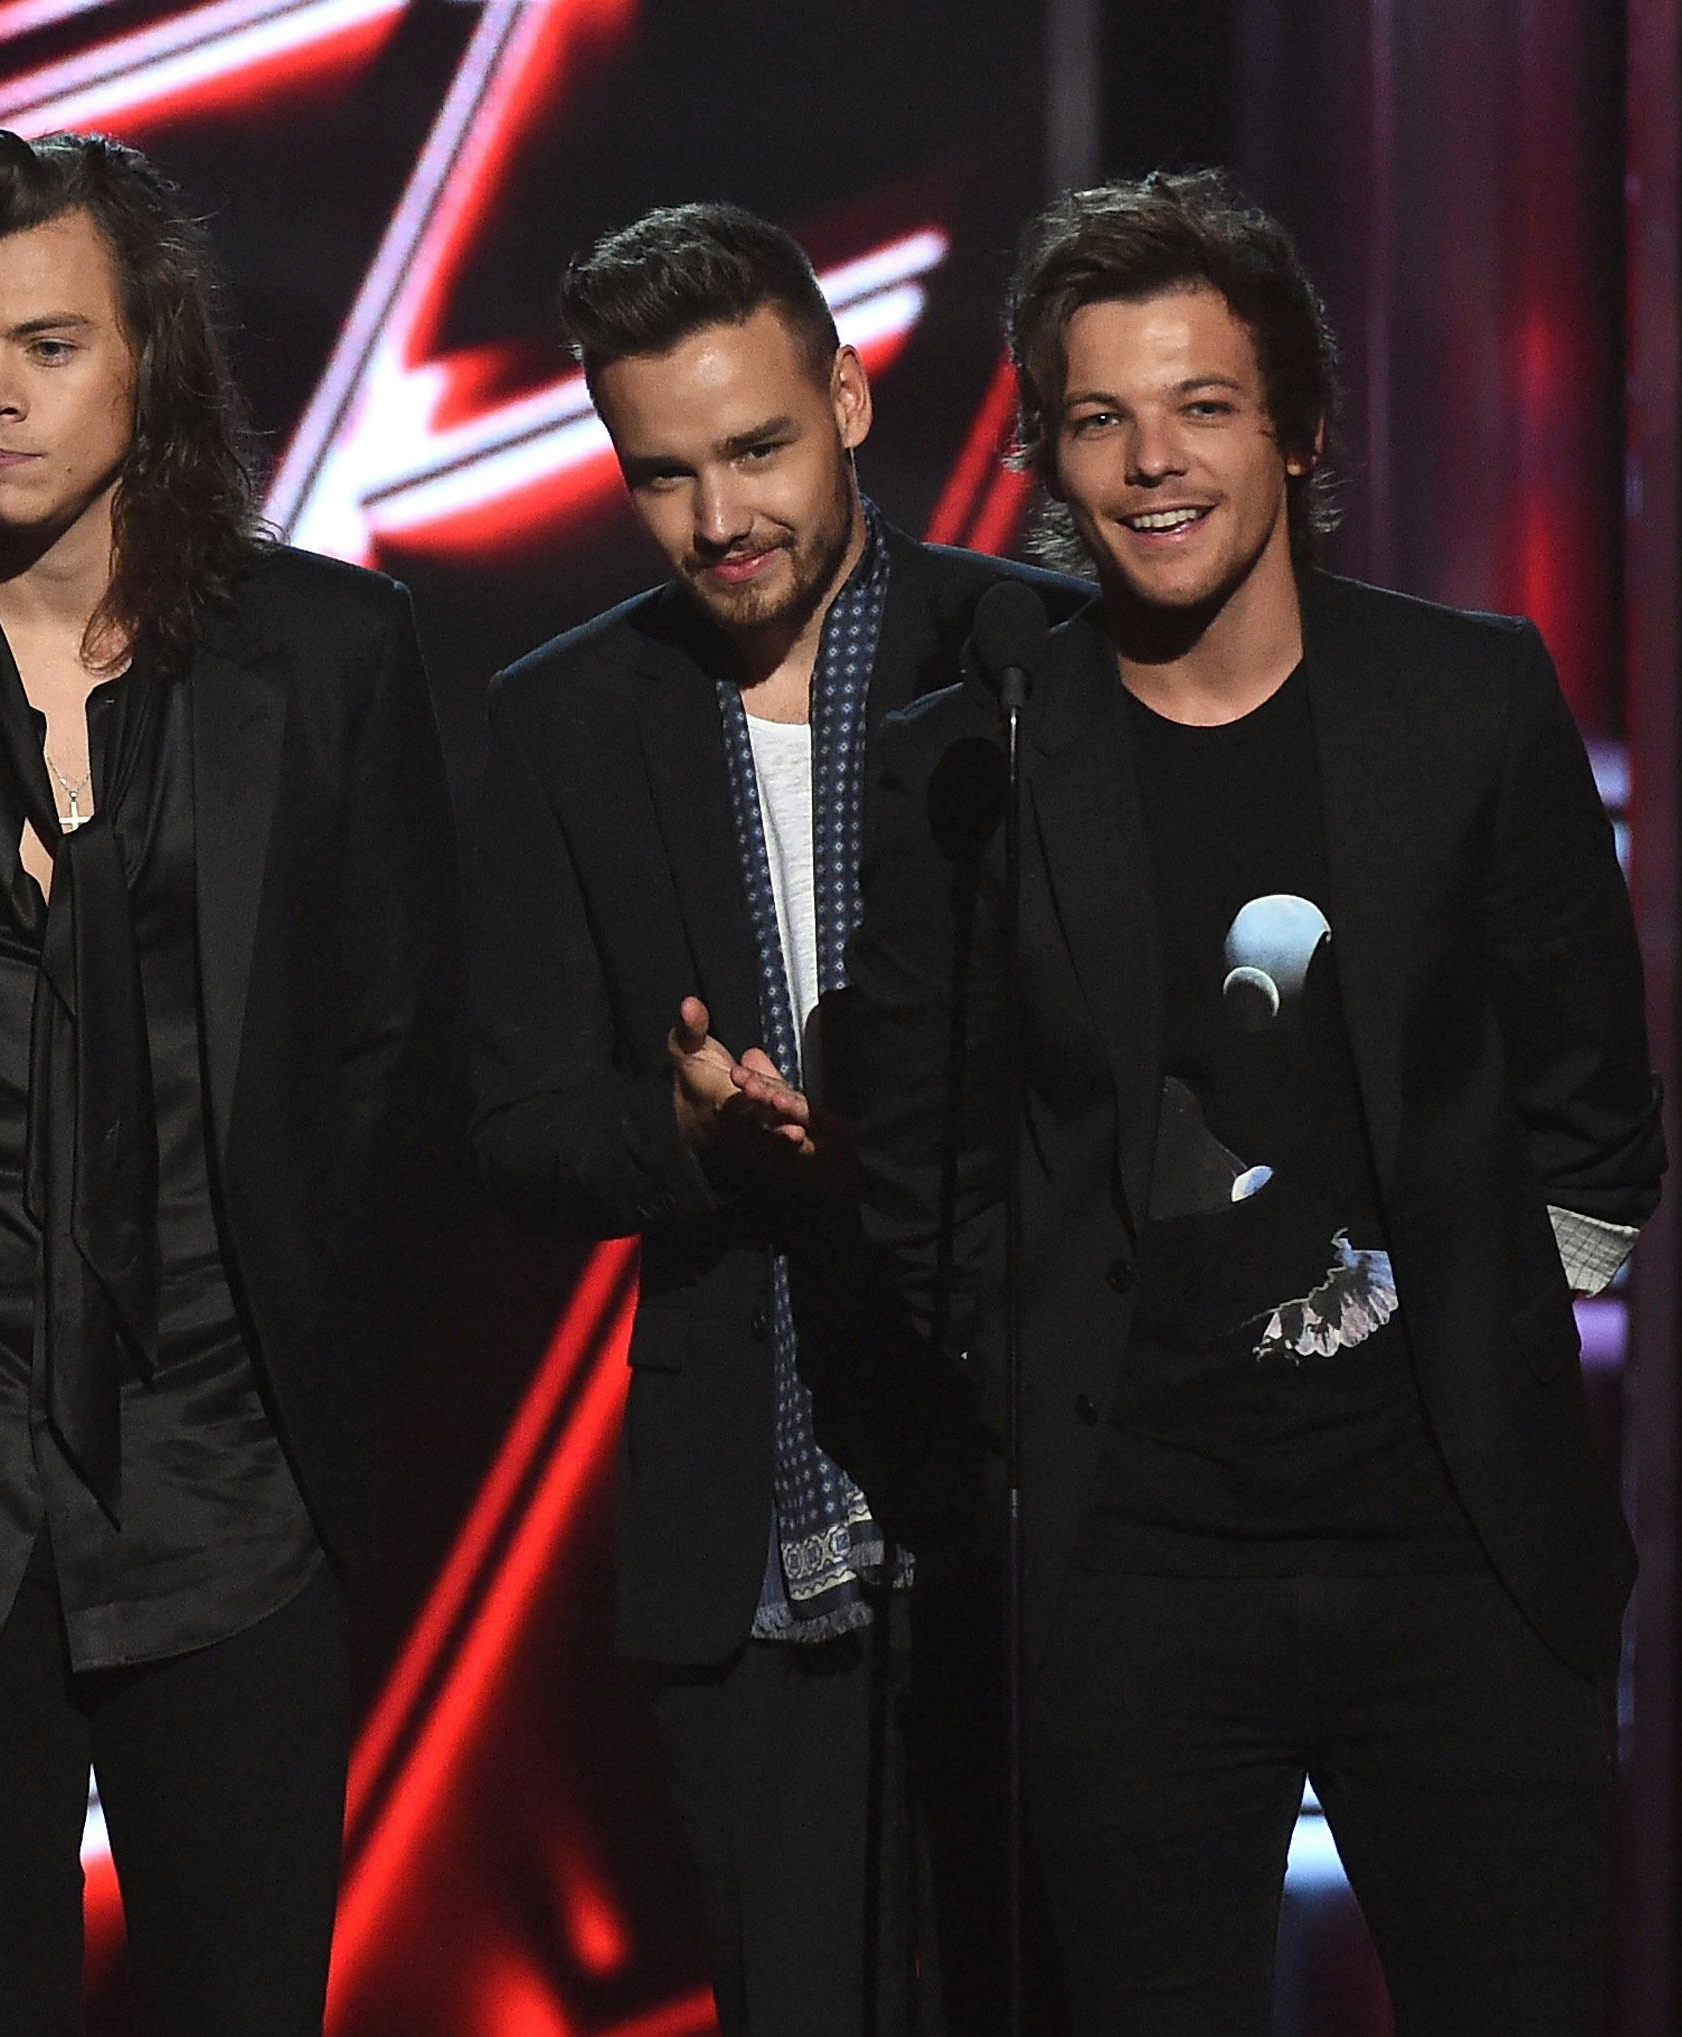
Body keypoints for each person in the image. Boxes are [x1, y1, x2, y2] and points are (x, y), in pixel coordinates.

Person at [843, 169, 1665, 2035]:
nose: (1154, 461)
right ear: (1052, 456)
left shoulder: (1467, 699)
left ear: (1296, 429)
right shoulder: (979, 756)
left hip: (1462, 1553)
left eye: (1202, 405)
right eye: (1101, 419)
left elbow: (1592, 1086)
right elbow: (921, 1170)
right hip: (1143, 1573)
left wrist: (1500, 1328)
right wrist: (1034, 1380)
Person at [0, 127, 459, 2035]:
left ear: (150, 356)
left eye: (48, 346)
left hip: (238, 1489)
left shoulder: (332, 650)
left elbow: (399, 1064)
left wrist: (314, 1383)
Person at [467, 201, 1085, 2034]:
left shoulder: (1034, 652)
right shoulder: (567, 716)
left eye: (757, 449)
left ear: (851, 400)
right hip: (751, 1505)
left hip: (1034, 1473)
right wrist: (689, 1142)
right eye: (663, 474)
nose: (719, 515)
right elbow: (512, 1124)